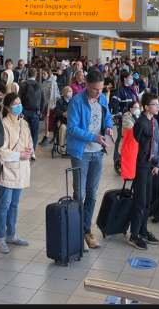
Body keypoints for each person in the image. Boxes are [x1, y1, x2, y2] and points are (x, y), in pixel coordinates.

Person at [65, 70, 114, 249]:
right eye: (95, 89)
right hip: (81, 153)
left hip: (97, 152)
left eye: (101, 89)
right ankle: (76, 229)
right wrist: (93, 137)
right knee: (80, 193)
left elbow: (107, 117)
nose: (98, 92)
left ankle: (86, 230)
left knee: (92, 194)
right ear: (86, 85)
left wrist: (108, 128)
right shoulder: (76, 102)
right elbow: (72, 129)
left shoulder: (102, 99)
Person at [0, 93, 33, 254]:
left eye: (20, 103)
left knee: (15, 205)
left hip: (22, 169)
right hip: (9, 170)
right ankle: (0, 237)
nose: (18, 106)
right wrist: (19, 155)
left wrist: (30, 151)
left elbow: (29, 140)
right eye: (15, 104)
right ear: (8, 107)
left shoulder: (23, 123)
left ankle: (11, 234)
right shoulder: (3, 124)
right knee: (4, 205)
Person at [128, 94, 159, 250]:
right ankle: (134, 234)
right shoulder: (141, 123)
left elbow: (156, 145)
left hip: (150, 166)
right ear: (146, 107)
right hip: (140, 166)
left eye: (158, 104)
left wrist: (157, 163)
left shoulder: (154, 121)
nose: (157, 106)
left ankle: (143, 230)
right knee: (140, 200)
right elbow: (135, 147)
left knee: (148, 200)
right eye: (154, 104)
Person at [110, 71, 140, 174]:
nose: (132, 78)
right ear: (124, 79)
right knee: (120, 139)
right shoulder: (120, 91)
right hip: (123, 120)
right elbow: (114, 104)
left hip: (133, 118)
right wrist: (119, 114)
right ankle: (117, 160)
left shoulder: (132, 90)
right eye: (130, 77)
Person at [18, 68, 46, 153]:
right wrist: (40, 112)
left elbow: (18, 99)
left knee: (23, 132)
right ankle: (32, 151)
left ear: (27, 75)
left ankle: (23, 150)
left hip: (24, 112)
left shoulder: (23, 85)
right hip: (35, 113)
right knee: (34, 134)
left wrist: (20, 112)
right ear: (35, 75)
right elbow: (43, 101)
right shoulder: (39, 85)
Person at [39, 67, 60, 147]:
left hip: (51, 105)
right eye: (42, 73)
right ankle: (48, 136)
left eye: (44, 73)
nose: (43, 75)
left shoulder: (52, 83)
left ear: (49, 74)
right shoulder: (44, 82)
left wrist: (49, 108)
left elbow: (53, 96)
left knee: (50, 122)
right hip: (45, 104)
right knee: (47, 122)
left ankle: (49, 136)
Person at [54, 86, 73, 154]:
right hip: (62, 121)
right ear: (64, 92)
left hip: (72, 122)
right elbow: (56, 111)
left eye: (71, 91)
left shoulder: (73, 101)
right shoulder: (59, 101)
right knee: (63, 128)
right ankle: (62, 147)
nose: (71, 93)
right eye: (69, 91)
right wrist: (63, 113)